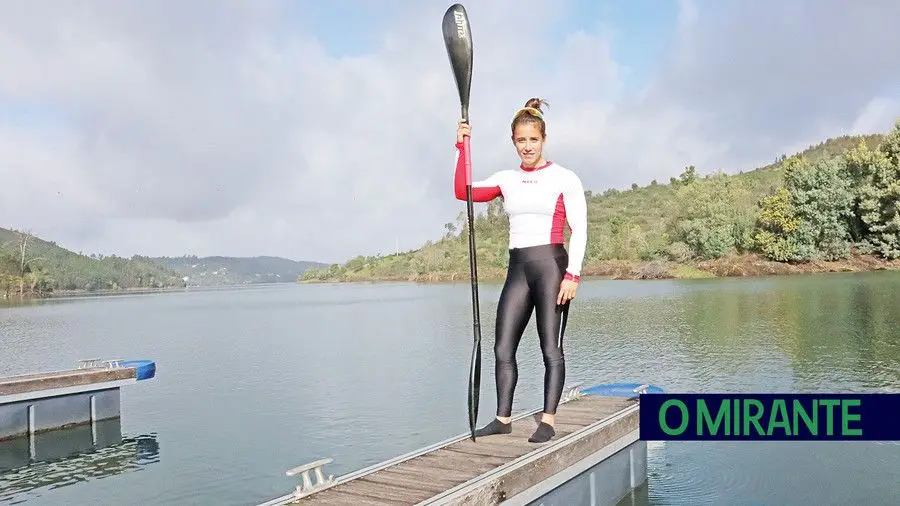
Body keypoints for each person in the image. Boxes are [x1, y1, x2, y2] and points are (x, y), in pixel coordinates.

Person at [452, 97, 588, 444]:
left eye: (533, 139)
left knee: (550, 349)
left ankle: (548, 420)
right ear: (513, 142)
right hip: (518, 268)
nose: (527, 147)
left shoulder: (564, 178)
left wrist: (573, 275)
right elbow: (461, 191)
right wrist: (461, 146)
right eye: (520, 140)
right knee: (503, 348)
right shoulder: (506, 179)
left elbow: (580, 229)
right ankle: (503, 418)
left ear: (543, 139)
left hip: (552, 268)